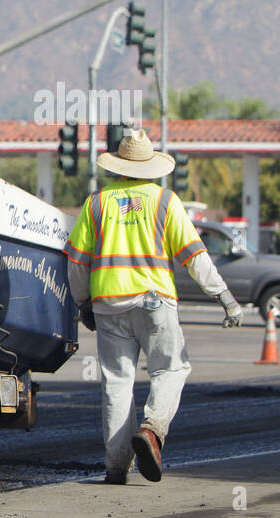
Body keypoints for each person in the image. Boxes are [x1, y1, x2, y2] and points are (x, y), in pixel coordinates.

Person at [64, 128, 242, 485]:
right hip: (154, 301)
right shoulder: (165, 201)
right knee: (171, 370)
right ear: (150, 166)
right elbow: (194, 255)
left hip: (108, 303)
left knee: (117, 383)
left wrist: (83, 302)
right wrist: (224, 296)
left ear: (118, 165)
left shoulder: (96, 203)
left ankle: (116, 466)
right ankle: (152, 430)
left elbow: (77, 262)